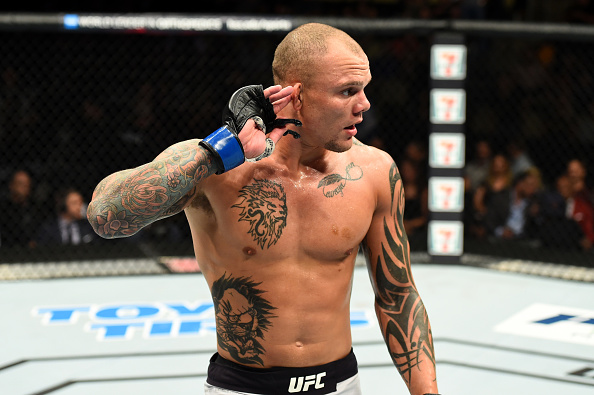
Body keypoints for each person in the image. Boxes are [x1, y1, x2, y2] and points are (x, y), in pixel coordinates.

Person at [87, 23, 439, 395]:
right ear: (296, 96)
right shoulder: (219, 170)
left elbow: (397, 295)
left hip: (340, 384)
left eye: (364, 88)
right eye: (347, 91)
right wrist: (216, 152)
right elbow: (105, 216)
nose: (364, 103)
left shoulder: (375, 172)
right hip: (240, 386)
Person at [0, 169, 38, 248]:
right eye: (20, 184)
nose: (24, 187)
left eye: (27, 184)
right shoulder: (3, 209)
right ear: (11, 185)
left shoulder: (35, 209)